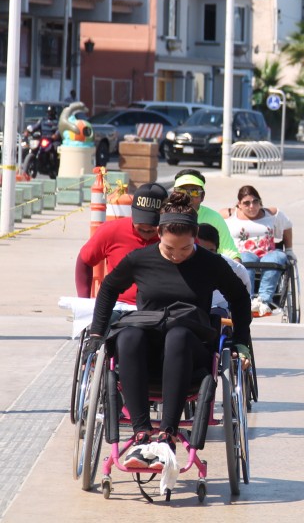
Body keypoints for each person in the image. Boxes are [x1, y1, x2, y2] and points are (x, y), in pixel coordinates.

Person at [86, 192, 251, 468]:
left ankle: (167, 434)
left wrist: (242, 341)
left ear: (195, 236)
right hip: (146, 350)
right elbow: (108, 289)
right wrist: (95, 334)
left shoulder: (210, 264)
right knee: (128, 335)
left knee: (178, 334)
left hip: (190, 351)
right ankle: (141, 433)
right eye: (169, 249)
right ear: (160, 233)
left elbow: (239, 296)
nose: (176, 256)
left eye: (185, 249)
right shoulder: (140, 259)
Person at [75, 183, 169, 304]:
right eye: (141, 219)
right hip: (117, 306)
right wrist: (83, 302)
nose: (146, 227)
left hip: (160, 309)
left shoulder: (176, 235)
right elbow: (84, 260)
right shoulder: (111, 230)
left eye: (153, 222)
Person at [224, 185, 294, 317]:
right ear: (239, 204)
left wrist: (289, 249)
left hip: (269, 254)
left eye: (255, 201)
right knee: (245, 258)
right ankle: (247, 301)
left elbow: (287, 226)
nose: (252, 206)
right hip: (243, 255)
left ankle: (263, 301)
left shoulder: (272, 213)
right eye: (246, 203)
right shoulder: (229, 215)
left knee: (276, 258)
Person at [173, 169, 240, 262]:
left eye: (194, 192)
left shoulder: (214, 218)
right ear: (174, 194)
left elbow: (231, 254)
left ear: (203, 196)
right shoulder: (163, 215)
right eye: (182, 191)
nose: (187, 196)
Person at [196, 223, 252, 312]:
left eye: (210, 251)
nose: (205, 256)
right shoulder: (178, 263)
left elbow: (244, 299)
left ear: (217, 249)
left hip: (220, 313)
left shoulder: (234, 268)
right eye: (201, 250)